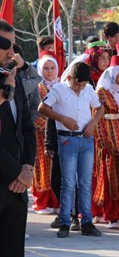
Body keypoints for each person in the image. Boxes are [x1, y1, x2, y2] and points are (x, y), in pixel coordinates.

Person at [38, 62, 105, 238]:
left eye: (83, 85)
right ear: (70, 78)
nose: (80, 88)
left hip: (86, 140)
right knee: (67, 183)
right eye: (78, 84)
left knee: (85, 183)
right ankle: (65, 222)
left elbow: (100, 108)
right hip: (66, 138)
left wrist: (93, 123)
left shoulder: (89, 89)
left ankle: (87, 222)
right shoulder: (59, 89)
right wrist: (62, 118)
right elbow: (42, 107)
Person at [0, 22, 36, 257]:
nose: (12, 53)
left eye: (13, 46)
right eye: (5, 46)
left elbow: (26, 128)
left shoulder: (14, 78)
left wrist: (27, 167)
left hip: (17, 184)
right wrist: (16, 172)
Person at [94, 55, 119, 228]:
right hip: (108, 137)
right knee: (110, 177)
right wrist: (102, 141)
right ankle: (111, 215)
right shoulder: (101, 91)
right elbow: (96, 117)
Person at [32, 51, 60, 214]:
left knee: (55, 167)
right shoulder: (37, 88)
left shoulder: (61, 86)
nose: (49, 72)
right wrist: (46, 125)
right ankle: (42, 202)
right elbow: (33, 110)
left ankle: (56, 201)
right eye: (46, 68)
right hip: (40, 134)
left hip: (57, 134)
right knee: (41, 167)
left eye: (52, 68)